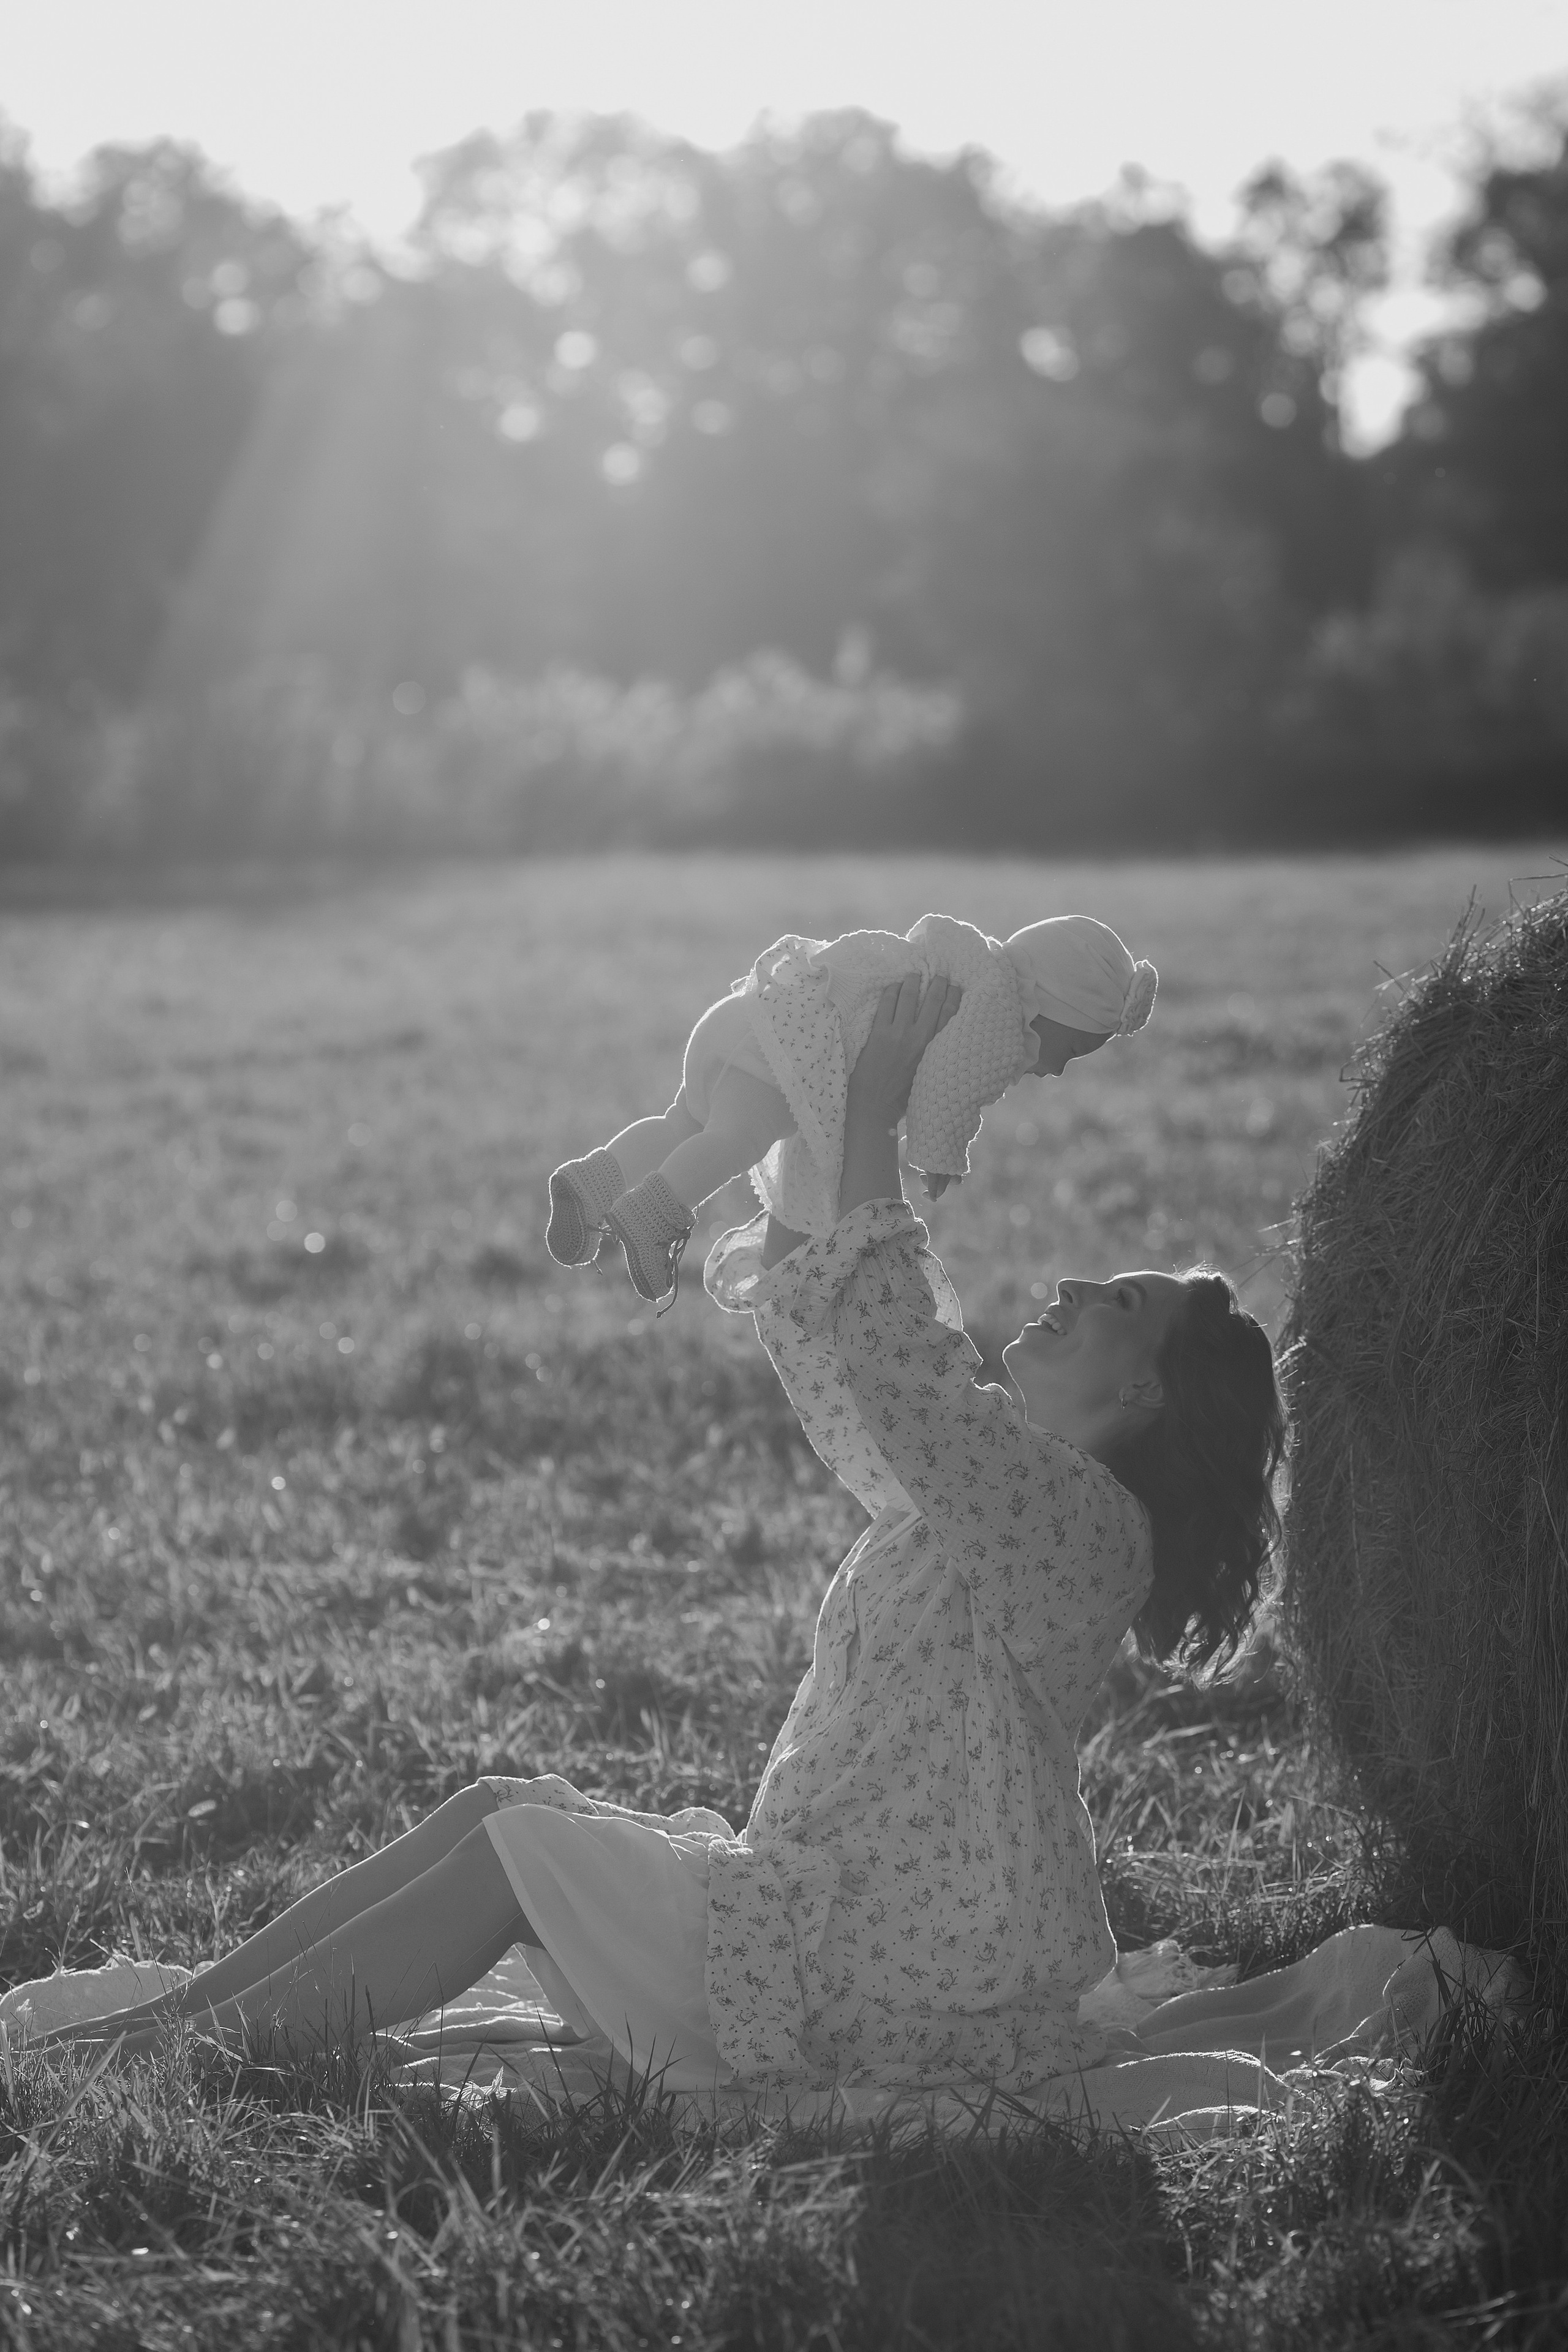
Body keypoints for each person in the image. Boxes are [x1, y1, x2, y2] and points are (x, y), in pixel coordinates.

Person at [29, 976, 1282, 2105]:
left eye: (1117, 1305)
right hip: (814, 1914)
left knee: (523, 1855)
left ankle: (171, 2066)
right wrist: (809, 1152)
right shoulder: (973, 1492)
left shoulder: (1082, 1530)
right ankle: (173, 2019)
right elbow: (851, 1381)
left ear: (1147, 1398)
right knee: (501, 1804)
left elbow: (903, 1376)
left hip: (879, 1973)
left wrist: (875, 1128)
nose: (1069, 1292)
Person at [546, 910, 1158, 1306]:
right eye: (1071, 1050)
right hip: (781, 1055)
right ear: (1053, 1003)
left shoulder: (967, 961)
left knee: (682, 1123)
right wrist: (938, 1153)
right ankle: (654, 1215)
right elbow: (948, 1084)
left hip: (746, 1017)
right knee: (737, 1137)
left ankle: (594, 1179)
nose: (1053, 1069)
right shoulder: (997, 1012)